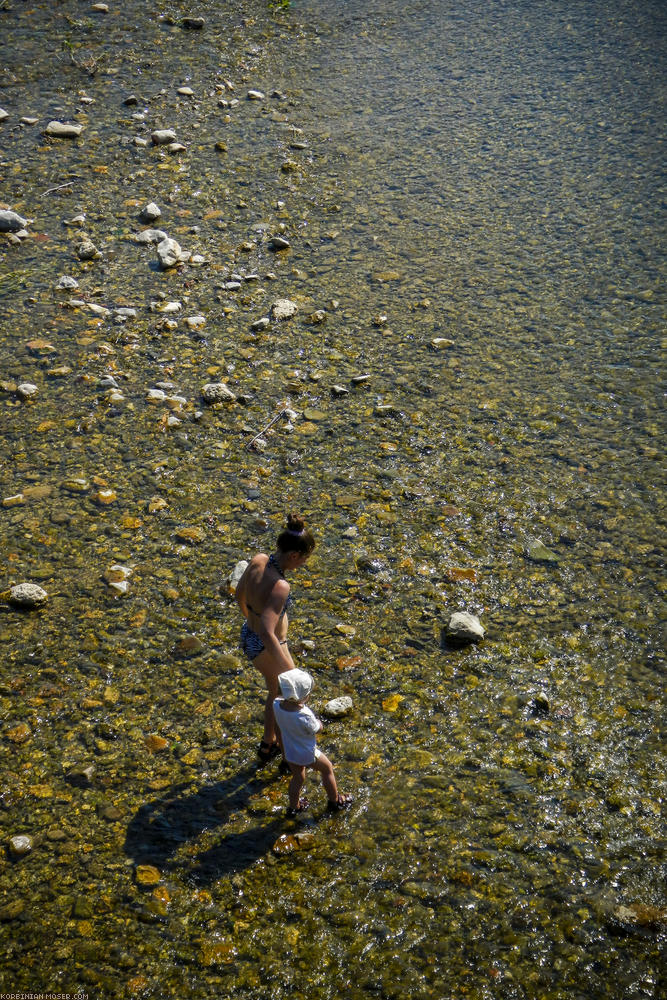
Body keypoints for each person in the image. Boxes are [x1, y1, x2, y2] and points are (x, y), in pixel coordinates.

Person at [236, 513, 315, 766]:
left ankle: (268, 743)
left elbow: (239, 593)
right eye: (304, 559)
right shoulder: (281, 585)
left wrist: (252, 618)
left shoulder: (258, 560)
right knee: (286, 695)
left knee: (274, 692)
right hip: (268, 645)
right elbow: (267, 633)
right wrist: (292, 672)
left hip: (249, 635)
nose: (303, 564)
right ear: (294, 556)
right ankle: (285, 749)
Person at [273, 667, 352, 817]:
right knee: (327, 768)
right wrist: (319, 723)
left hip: (290, 751)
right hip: (306, 752)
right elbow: (317, 728)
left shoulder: (276, 704)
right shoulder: (304, 715)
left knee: (298, 778)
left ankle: (294, 807)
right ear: (303, 696)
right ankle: (335, 800)